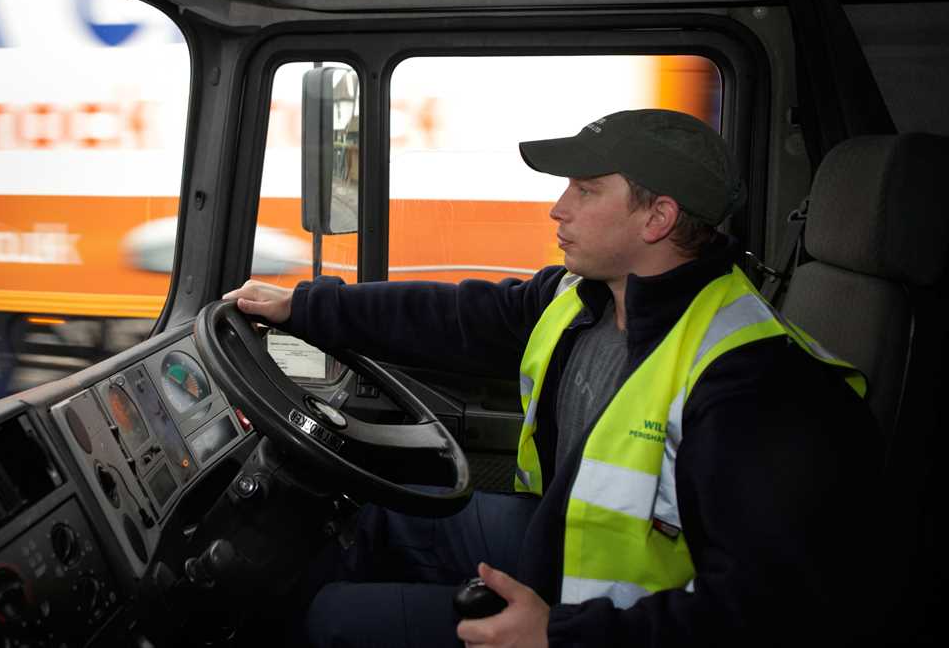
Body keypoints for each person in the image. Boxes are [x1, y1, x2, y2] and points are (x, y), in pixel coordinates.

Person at [223, 109, 881, 648]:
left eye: (585, 190)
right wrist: (301, 307)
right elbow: (456, 313)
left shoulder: (752, 388)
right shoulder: (588, 296)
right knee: (381, 515)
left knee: (331, 619)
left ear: (657, 218)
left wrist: (556, 632)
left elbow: (766, 618)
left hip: (607, 618)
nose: (557, 209)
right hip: (555, 540)